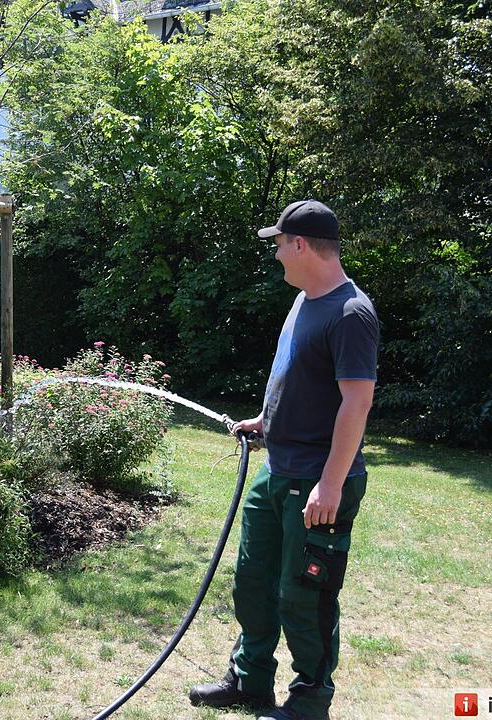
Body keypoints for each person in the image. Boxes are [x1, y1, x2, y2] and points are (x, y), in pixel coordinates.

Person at [189, 199, 379, 720]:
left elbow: (356, 402)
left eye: (278, 244)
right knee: (253, 582)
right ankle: (250, 682)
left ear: (300, 245)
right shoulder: (304, 301)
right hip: (277, 468)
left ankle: (310, 699)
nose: (275, 255)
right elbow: (297, 376)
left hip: (317, 482)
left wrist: (331, 484)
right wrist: (265, 421)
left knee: (304, 595)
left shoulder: (350, 312)